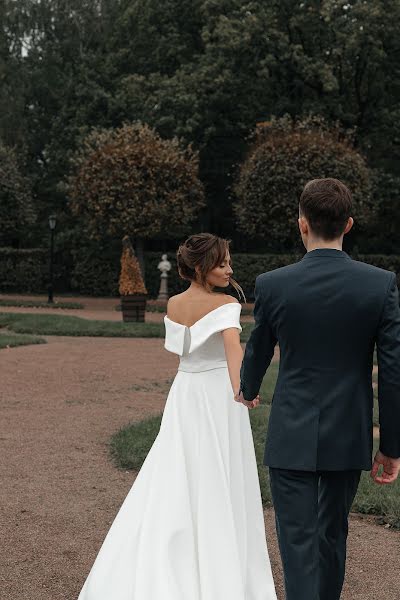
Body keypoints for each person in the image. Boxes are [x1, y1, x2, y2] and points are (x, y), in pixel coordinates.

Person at [77, 233, 277, 600]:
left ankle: (174, 546)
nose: (229, 268)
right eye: (222, 263)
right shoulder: (226, 304)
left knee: (177, 468)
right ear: (201, 267)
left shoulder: (173, 304)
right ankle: (219, 564)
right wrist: (243, 390)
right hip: (218, 394)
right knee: (219, 472)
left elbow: (181, 351)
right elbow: (234, 350)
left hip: (185, 391)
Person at [238, 177, 400, 600]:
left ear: (302, 224)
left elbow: (258, 347)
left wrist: (248, 387)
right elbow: (394, 369)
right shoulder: (380, 284)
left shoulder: (274, 284)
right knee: (331, 534)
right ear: (348, 224)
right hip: (348, 429)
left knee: (297, 540)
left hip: (292, 426)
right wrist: (392, 445)